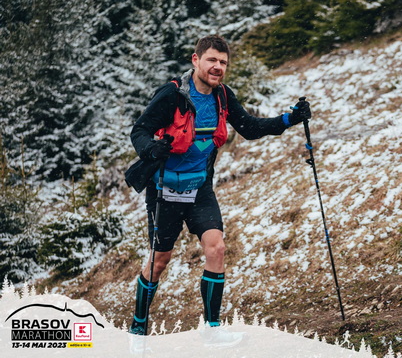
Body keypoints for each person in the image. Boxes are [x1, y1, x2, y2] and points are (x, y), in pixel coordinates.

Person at [125, 35, 311, 343]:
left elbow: (249, 127)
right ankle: (137, 330)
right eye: (211, 60)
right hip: (164, 191)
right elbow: (140, 130)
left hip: (200, 189)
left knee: (217, 248)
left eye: (223, 62)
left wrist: (289, 119)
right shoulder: (172, 94)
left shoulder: (223, 95)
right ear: (196, 60)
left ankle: (212, 330)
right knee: (159, 261)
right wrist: (150, 149)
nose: (217, 67)